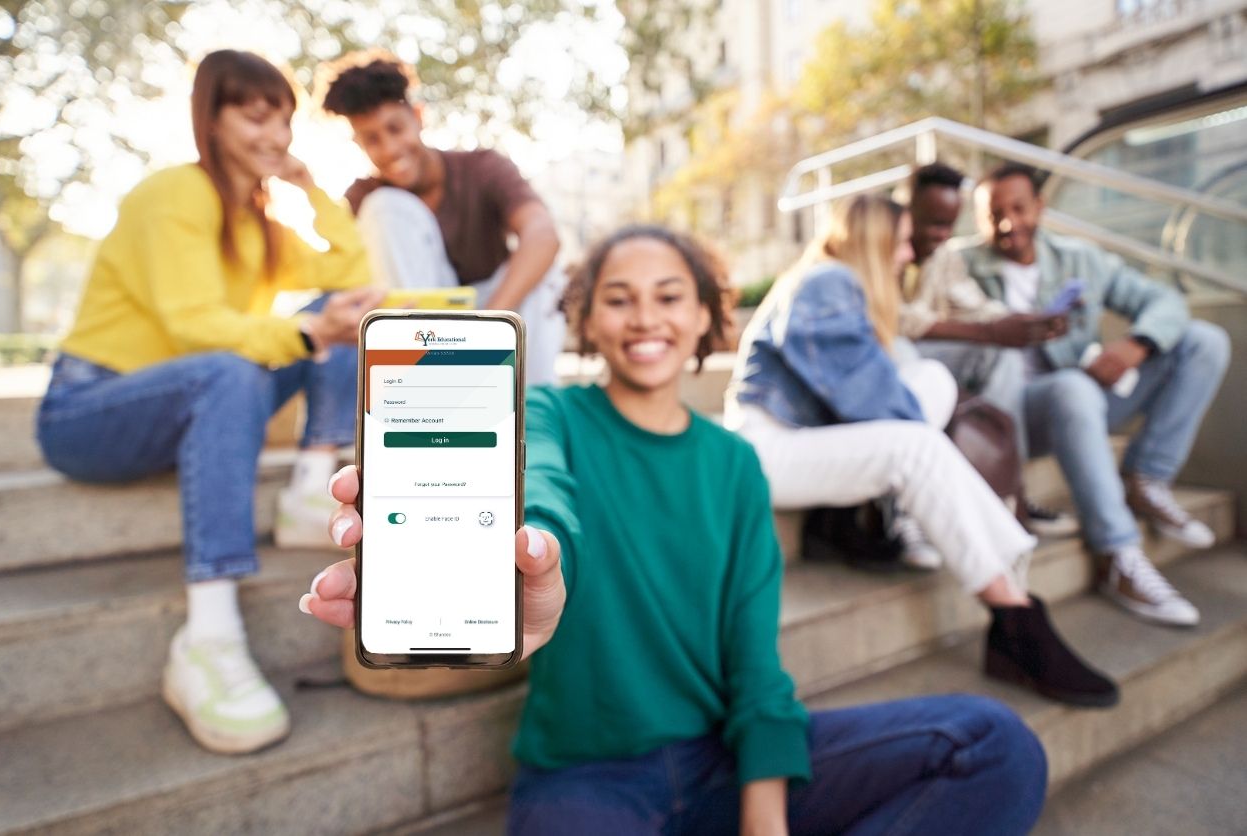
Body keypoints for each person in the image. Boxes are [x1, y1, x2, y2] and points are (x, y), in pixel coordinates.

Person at [301, 224, 1049, 834]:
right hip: (587, 780)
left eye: (668, 296)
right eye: (618, 299)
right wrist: (540, 554)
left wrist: (765, 815)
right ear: (587, 318)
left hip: (719, 758)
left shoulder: (735, 465)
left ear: (702, 315)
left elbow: (755, 658)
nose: (645, 318)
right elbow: (540, 488)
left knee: (995, 745)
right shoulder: (551, 415)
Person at [35, 50, 383, 755]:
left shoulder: (257, 224)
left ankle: (312, 488)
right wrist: (308, 330)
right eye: (255, 116)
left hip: (199, 399)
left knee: (342, 311)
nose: (275, 135)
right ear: (211, 118)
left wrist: (310, 188)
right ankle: (210, 635)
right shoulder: (174, 195)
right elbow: (189, 322)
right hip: (90, 408)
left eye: (284, 120)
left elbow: (350, 272)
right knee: (238, 365)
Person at [726, 194, 1119, 709]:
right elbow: (871, 402)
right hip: (765, 450)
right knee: (918, 439)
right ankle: (1013, 615)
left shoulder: (837, 286)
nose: (909, 254)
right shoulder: (828, 282)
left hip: (796, 441)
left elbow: (869, 396)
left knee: (927, 389)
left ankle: (1006, 601)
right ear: (875, 240)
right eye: (903, 241)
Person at [963, 163, 1231, 628]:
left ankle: (1147, 477)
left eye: (1019, 208)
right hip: (1014, 415)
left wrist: (1135, 344)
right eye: (994, 213)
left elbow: (1166, 303)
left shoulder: (1080, 259)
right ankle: (1117, 553)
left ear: (1040, 207)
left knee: (1204, 342)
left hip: (1085, 400)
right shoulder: (962, 267)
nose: (1008, 223)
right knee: (1073, 388)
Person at [317, 50, 566, 385]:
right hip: (424, 331)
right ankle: (430, 385)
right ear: (358, 144)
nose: (389, 148)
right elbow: (330, 274)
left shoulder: (482, 167)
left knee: (542, 272)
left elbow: (543, 234)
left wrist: (487, 326)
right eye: (372, 139)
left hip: (495, 309)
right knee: (385, 206)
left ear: (419, 116)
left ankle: (531, 411)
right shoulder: (366, 198)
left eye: (395, 128)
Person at [900, 162, 1077, 538]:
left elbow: (975, 305)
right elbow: (893, 321)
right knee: (974, 346)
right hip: (891, 363)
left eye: (949, 225)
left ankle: (1010, 491)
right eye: (932, 222)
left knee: (1005, 350)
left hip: (926, 362)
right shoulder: (880, 242)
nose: (940, 234)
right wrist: (989, 332)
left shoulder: (944, 255)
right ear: (907, 207)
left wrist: (1024, 322)